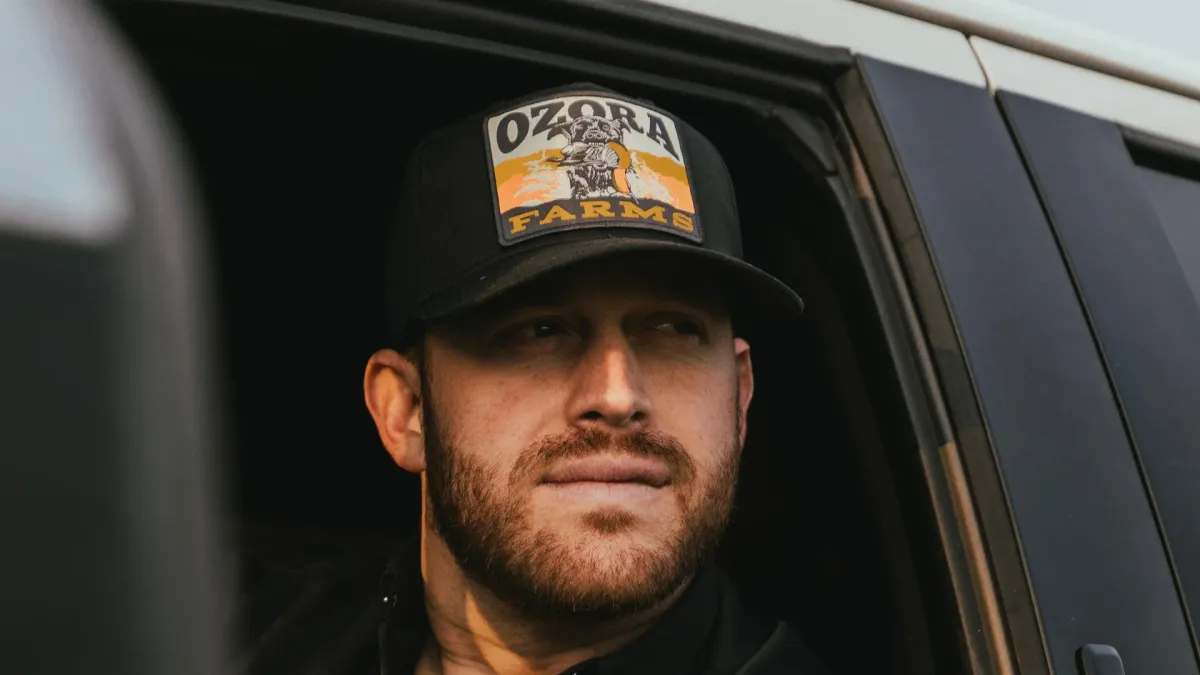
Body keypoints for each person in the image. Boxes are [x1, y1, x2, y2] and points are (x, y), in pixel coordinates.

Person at [235, 84, 828, 675]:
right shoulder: (237, 643)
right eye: (540, 331)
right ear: (408, 409)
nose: (617, 396)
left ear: (739, 397)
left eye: (675, 329)